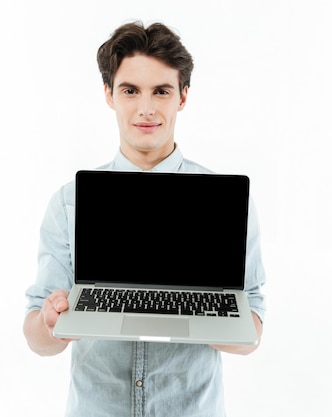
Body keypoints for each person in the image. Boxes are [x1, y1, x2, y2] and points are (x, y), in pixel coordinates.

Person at [23, 20, 266, 417]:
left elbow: (251, 334)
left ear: (183, 97)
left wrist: (199, 314)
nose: (146, 108)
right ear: (109, 94)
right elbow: (36, 337)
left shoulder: (227, 204)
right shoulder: (69, 203)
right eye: (130, 90)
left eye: (162, 91)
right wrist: (51, 322)